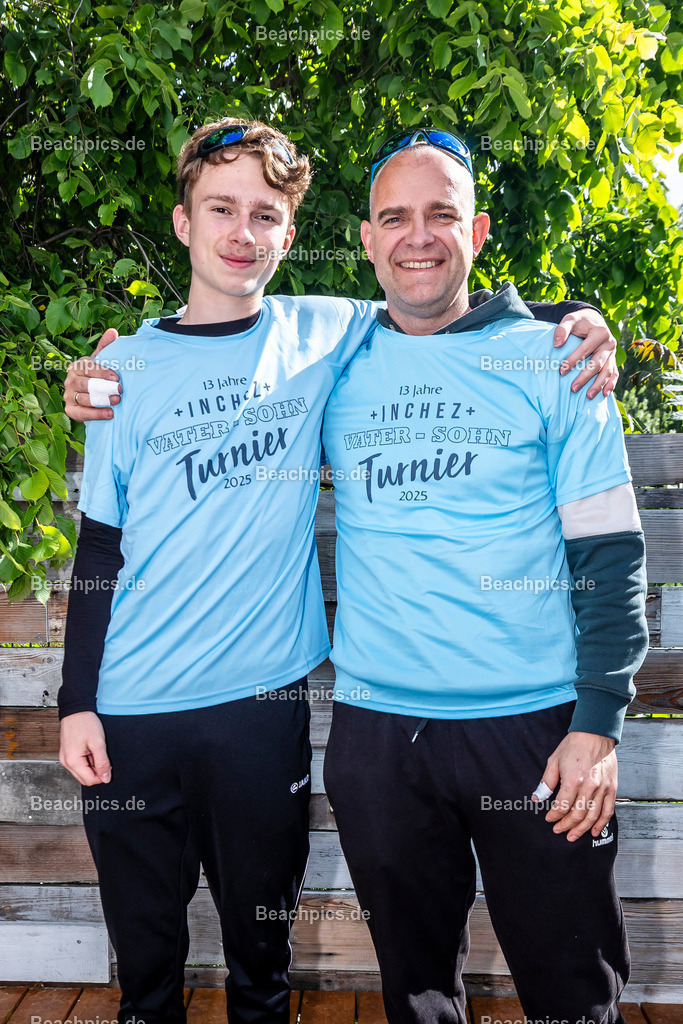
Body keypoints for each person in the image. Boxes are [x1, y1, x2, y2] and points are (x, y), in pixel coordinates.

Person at [59, 118, 622, 1024]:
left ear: (291, 233)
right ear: (181, 222)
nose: (243, 234)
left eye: (265, 215)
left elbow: (454, 309)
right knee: (175, 974)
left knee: (277, 967)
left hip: (383, 718)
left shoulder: (353, 335)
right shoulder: (168, 365)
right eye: (221, 209)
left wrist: (577, 321)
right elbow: (100, 541)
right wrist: (74, 700)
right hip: (239, 722)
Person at [321, 129, 649, 1024]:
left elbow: (611, 553)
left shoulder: (557, 359)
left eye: (442, 215)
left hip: (535, 733)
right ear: (364, 237)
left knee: (571, 992)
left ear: (480, 229)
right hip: (378, 738)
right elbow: (219, 347)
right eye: (395, 217)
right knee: (417, 997)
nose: (417, 237)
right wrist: (97, 377)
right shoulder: (329, 361)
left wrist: (597, 724)